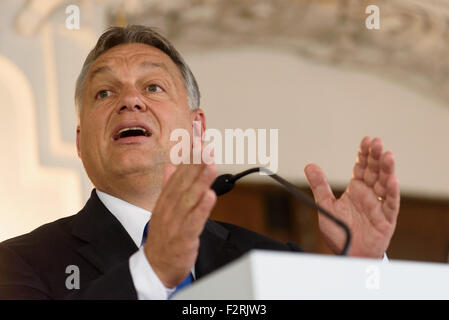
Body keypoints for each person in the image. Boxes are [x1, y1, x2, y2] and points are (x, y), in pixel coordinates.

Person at [0, 25, 400, 299]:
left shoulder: (274, 263)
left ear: (196, 129)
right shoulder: (18, 264)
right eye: (104, 93)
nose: (130, 100)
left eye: (153, 86)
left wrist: (362, 272)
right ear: (81, 141)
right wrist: (150, 273)